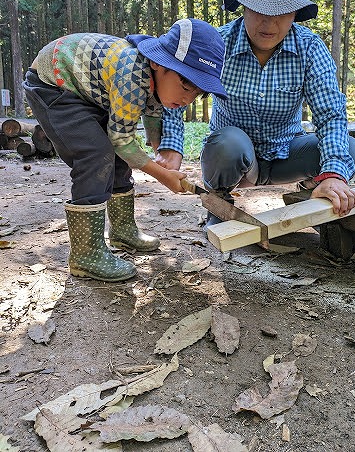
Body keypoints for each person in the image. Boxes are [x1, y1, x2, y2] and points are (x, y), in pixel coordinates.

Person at [149, 0, 355, 230]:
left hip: (288, 153)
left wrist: (334, 173)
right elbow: (174, 93)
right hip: (232, 157)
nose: (269, 23)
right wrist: (171, 146)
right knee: (228, 143)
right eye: (260, 10)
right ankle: (220, 203)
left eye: (282, 12)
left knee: (351, 151)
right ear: (244, 6)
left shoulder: (310, 48)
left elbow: (331, 114)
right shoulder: (219, 44)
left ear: (296, 12)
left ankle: (312, 192)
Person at [23, 19, 227, 281]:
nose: (188, 98)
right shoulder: (132, 74)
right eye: (186, 85)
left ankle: (122, 231)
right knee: (96, 155)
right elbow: (121, 140)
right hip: (53, 83)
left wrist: (159, 152)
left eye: (198, 93)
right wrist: (160, 174)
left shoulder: (153, 81)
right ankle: (85, 254)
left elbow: (152, 118)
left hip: (87, 91)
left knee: (117, 159)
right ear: (158, 63)